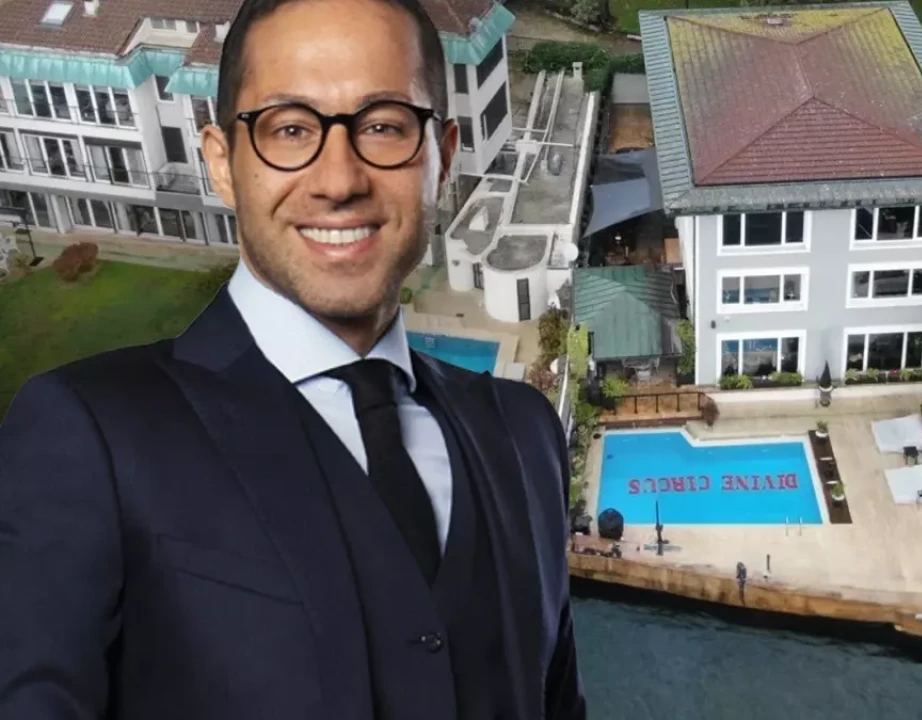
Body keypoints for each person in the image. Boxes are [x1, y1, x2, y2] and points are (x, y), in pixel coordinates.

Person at [0, 0, 586, 718]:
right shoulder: (90, 437)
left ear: (442, 158)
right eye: (290, 130)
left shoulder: (525, 435)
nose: (339, 180)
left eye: (383, 126)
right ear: (222, 163)